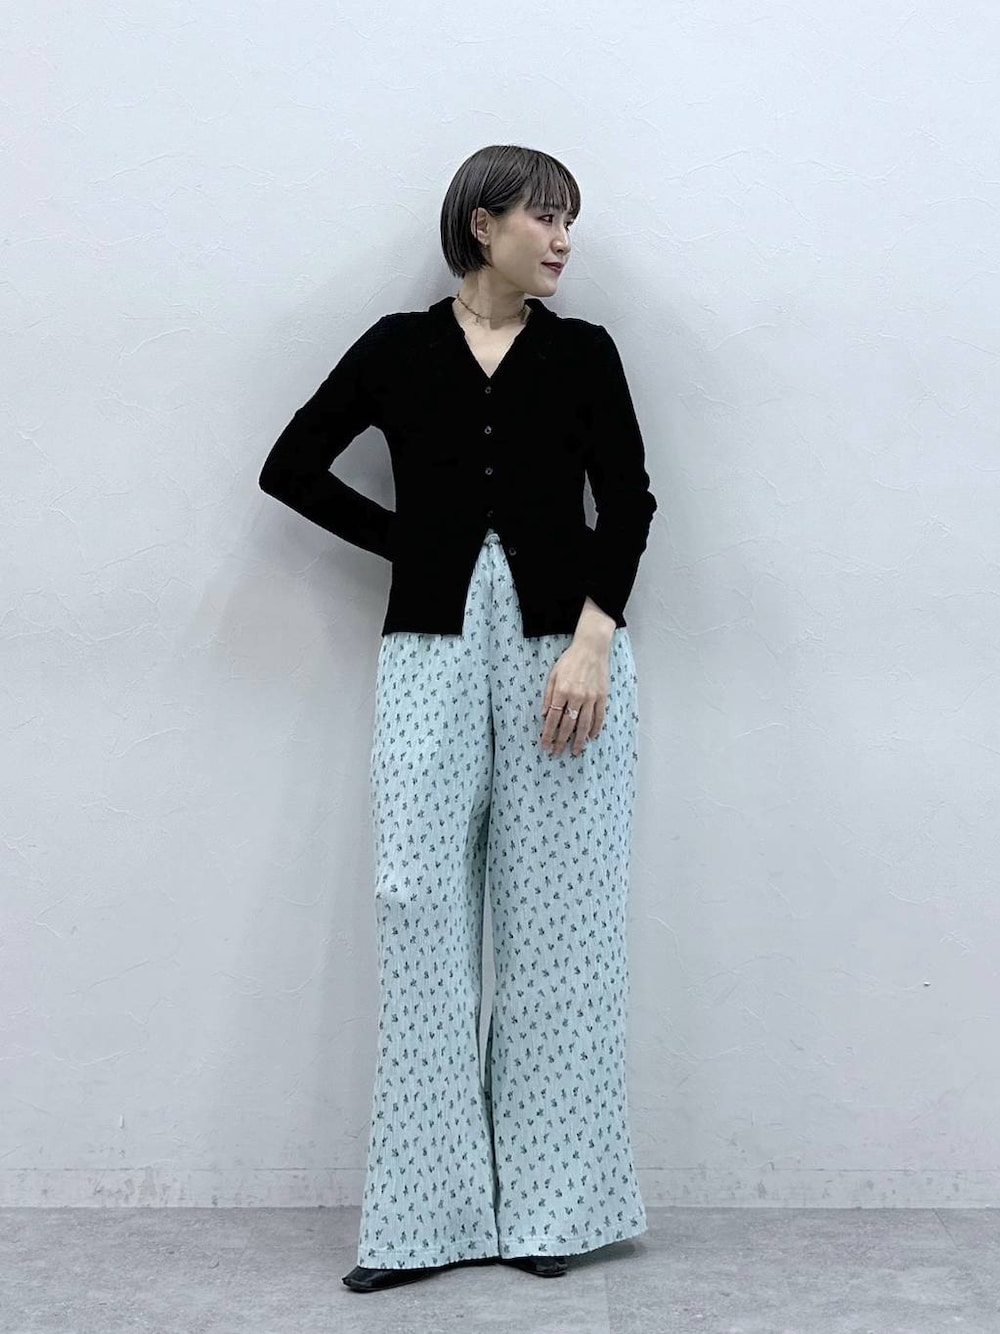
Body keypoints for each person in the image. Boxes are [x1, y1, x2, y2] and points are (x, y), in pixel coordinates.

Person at [258, 144, 657, 1294]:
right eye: (546, 217)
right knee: (416, 907)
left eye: (570, 220)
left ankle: (552, 1204)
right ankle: (420, 1217)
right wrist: (412, 544)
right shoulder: (395, 348)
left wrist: (592, 639)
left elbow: (628, 500)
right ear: (483, 224)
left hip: (564, 658)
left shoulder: (583, 353)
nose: (564, 240)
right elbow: (291, 466)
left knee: (560, 933)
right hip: (428, 652)